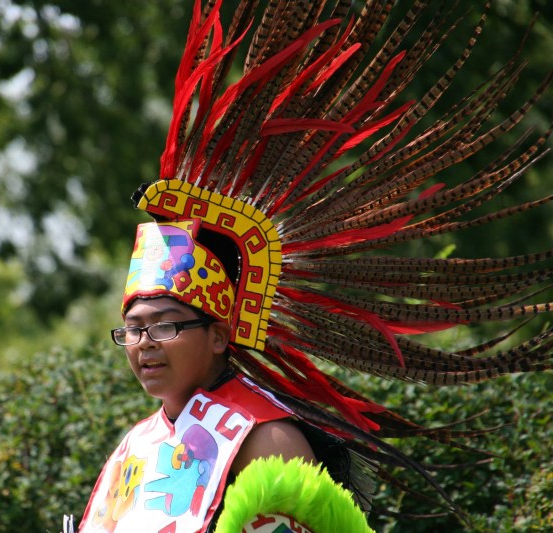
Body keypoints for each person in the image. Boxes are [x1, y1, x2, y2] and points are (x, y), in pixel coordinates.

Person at [78, 0, 552, 531]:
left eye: (164, 326)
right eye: (133, 330)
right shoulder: (135, 446)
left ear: (218, 334)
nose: (144, 343)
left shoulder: (266, 437)